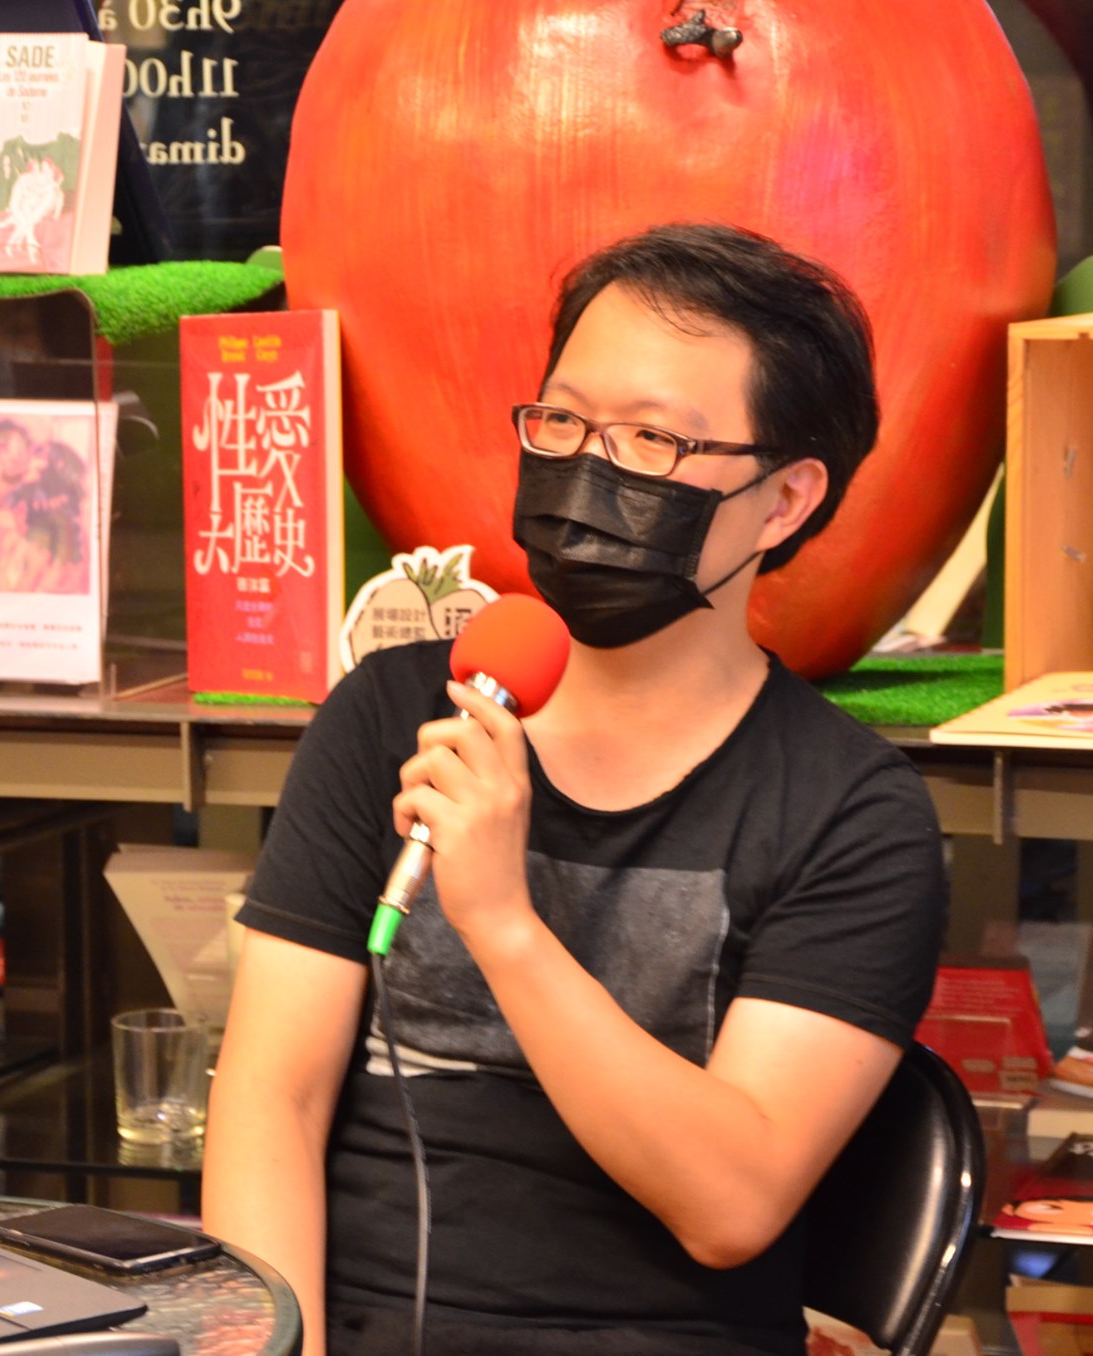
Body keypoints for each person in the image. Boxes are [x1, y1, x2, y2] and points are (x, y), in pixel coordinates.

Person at [202, 223, 948, 1356]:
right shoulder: (397, 715)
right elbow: (272, 1097)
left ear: (784, 500)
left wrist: (503, 923)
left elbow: (732, 1205)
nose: (590, 468)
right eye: (562, 420)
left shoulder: (852, 815)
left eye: (652, 438)